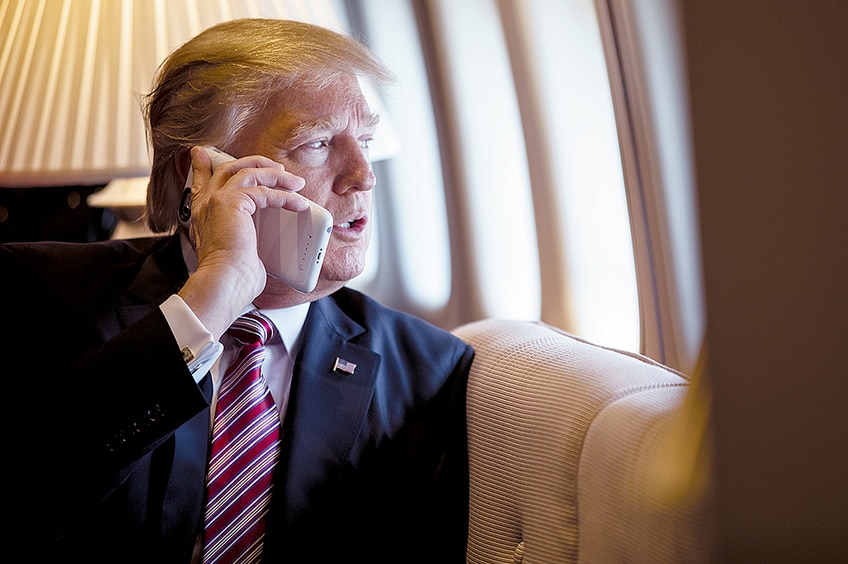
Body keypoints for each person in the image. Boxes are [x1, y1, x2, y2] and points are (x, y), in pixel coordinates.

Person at [3, 19, 473, 563]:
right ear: (200, 174)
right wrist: (213, 295)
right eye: (317, 143)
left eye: (365, 140)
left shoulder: (428, 368)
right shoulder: (37, 291)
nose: (363, 176)